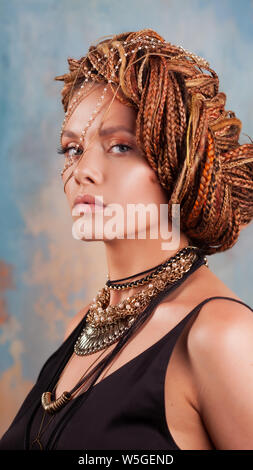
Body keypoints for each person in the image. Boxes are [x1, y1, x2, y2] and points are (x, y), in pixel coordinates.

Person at [1, 28, 253, 451]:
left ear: (181, 161)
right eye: (72, 149)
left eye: (119, 146)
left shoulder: (222, 336)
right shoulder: (82, 326)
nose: (83, 170)